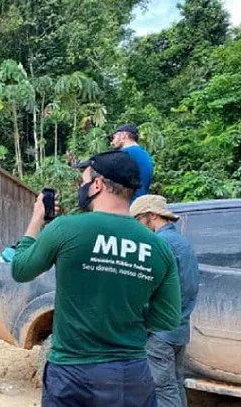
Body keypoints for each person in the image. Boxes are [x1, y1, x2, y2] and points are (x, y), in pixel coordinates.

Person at [12, 150, 181, 407]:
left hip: (72, 373)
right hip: (131, 374)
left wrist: (37, 219)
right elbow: (168, 318)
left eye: (83, 182)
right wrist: (124, 316)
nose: (82, 188)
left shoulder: (65, 228)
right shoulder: (158, 247)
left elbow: (21, 269)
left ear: (98, 185)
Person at [131, 195, 200, 407]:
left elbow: (147, 289)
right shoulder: (183, 243)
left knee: (163, 390)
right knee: (175, 385)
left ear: (151, 217)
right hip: (179, 329)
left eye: (137, 221)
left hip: (160, 333)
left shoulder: (159, 244)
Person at [110, 123, 154, 202]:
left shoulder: (124, 154)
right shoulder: (144, 154)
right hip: (141, 204)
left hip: (127, 205)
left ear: (123, 135)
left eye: (114, 137)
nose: (112, 142)